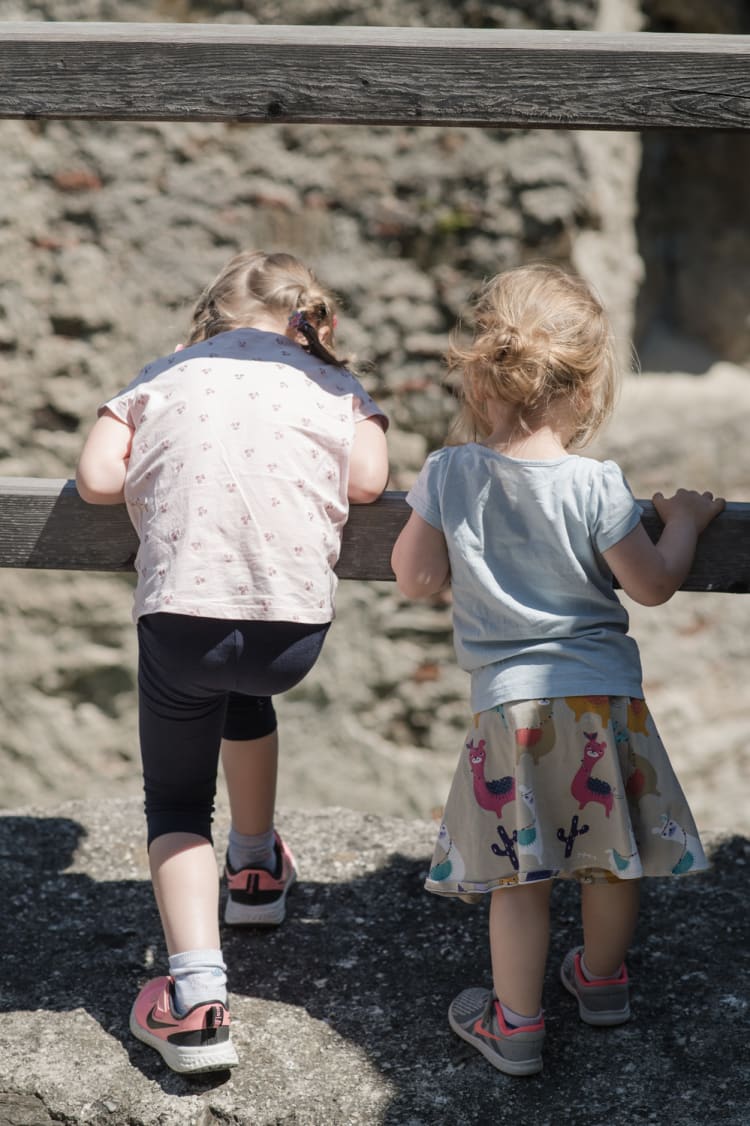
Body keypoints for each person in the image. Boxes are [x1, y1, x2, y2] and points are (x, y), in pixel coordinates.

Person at [390, 262, 723, 1077]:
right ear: (587, 384)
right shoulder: (595, 483)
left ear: (481, 372)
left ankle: (517, 1024)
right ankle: (602, 983)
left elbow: (414, 578)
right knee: (611, 853)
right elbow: (651, 585)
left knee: (519, 876)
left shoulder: (448, 473)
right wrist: (684, 519)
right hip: (604, 700)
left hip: (511, 710)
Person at [76, 249, 389, 1074]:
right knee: (243, 694)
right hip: (290, 634)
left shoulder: (166, 374)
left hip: (182, 621)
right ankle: (255, 868)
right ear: (310, 322)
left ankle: (195, 1000)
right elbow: (369, 479)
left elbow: (96, 478)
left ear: (208, 319)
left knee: (177, 803)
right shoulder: (328, 383)